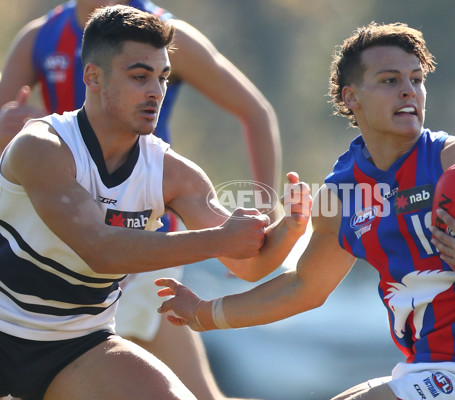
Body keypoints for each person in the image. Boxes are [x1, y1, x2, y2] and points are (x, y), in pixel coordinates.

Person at [156, 22, 455, 400]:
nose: (409, 91)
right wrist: (205, 313)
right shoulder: (341, 194)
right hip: (425, 369)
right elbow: (304, 287)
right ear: (351, 97)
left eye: (416, 79)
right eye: (390, 80)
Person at [0, 5, 311, 400]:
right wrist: (221, 238)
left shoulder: (173, 174)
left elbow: (248, 263)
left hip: (77, 344)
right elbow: (100, 250)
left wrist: (289, 229)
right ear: (92, 77)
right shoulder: (41, 146)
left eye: (163, 77)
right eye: (140, 76)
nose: (156, 92)